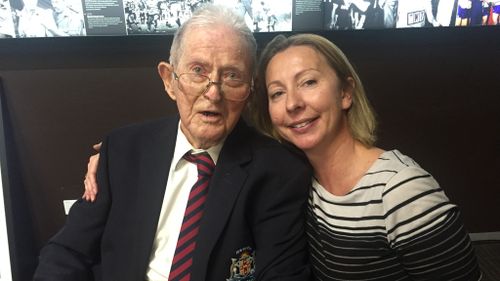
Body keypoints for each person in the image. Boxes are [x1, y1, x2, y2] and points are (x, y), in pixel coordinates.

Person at [34, 4, 311, 281]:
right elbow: (67, 252)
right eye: (198, 70)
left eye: (232, 76)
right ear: (169, 80)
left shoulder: (277, 172)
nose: (213, 93)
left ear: (249, 92)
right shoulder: (122, 150)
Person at [251, 33, 482, 280]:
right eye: (277, 93)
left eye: (308, 82)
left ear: (345, 93)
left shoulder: (401, 192)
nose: (292, 104)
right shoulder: (301, 184)